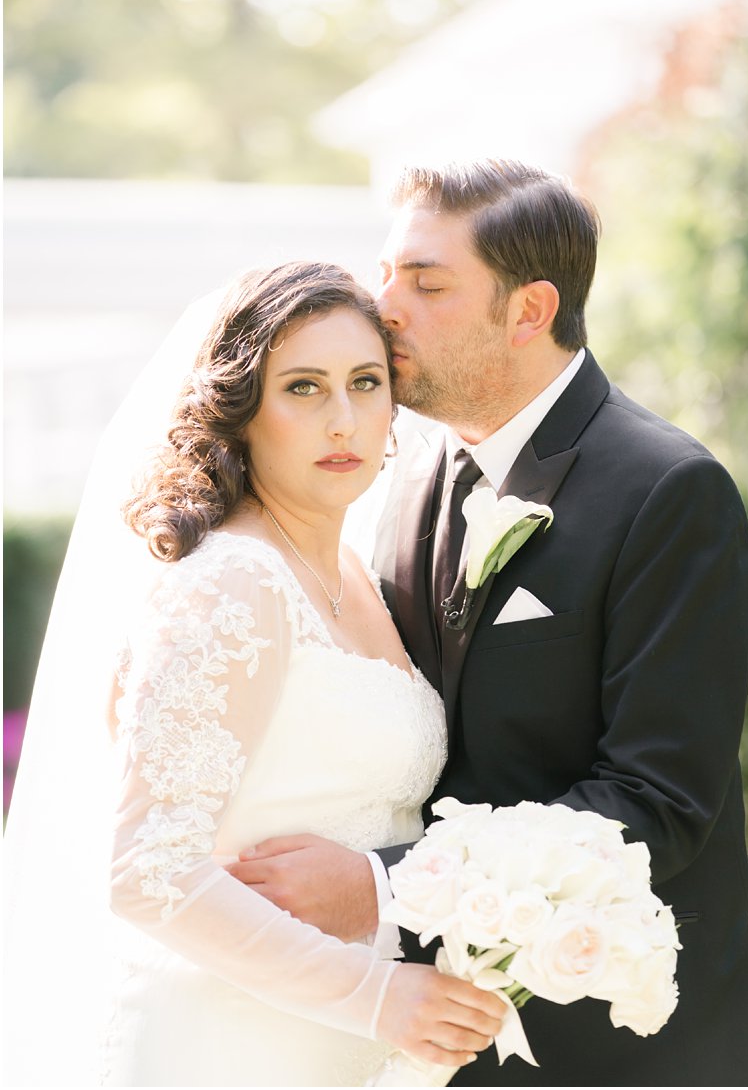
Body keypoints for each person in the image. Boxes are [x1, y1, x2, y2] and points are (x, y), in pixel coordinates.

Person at [230, 160, 748, 1086]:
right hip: (417, 1025)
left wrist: (376, 882)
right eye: (386, 272)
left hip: (613, 1038)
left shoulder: (670, 492)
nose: (381, 304)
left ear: (528, 311)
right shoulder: (397, 474)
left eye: (426, 284)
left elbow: (656, 803)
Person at [1, 263, 508, 1085]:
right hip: (228, 1042)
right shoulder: (230, 583)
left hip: (347, 1048)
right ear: (241, 411)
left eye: (365, 382)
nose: (343, 419)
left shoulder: (354, 574)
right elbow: (147, 872)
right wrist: (375, 995)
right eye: (303, 387)